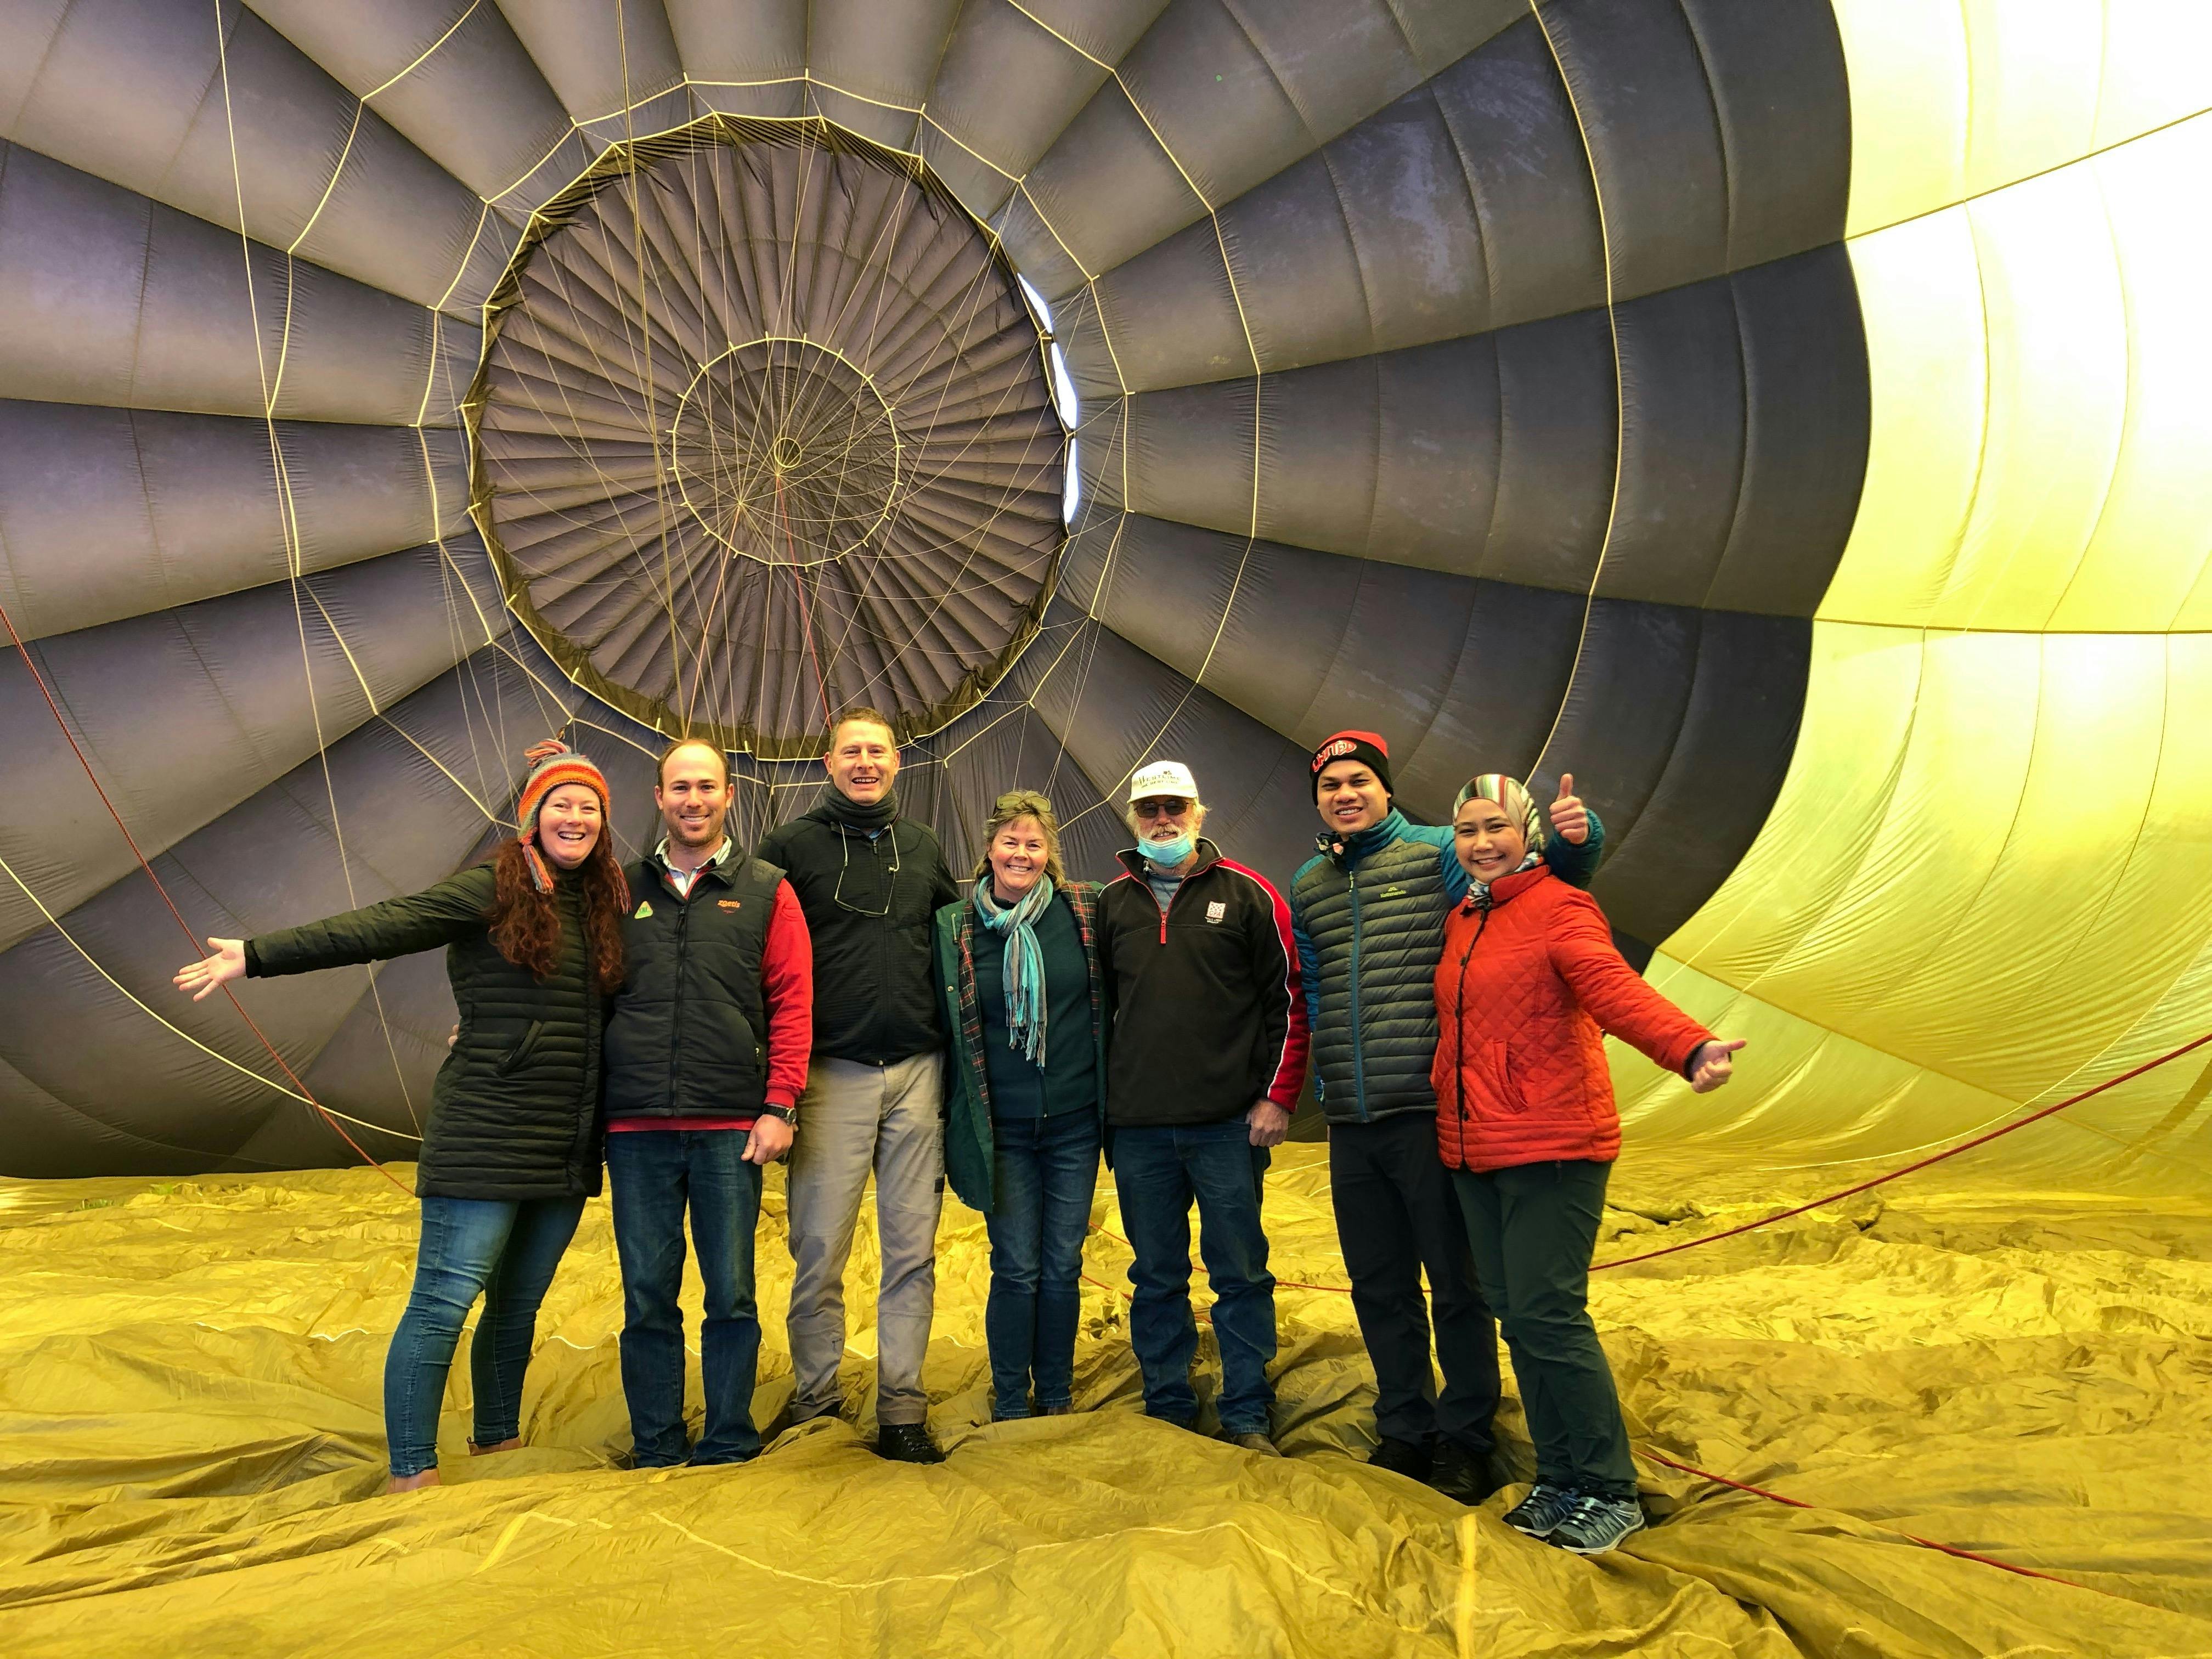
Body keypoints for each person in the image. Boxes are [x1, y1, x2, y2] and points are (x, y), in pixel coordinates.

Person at [172, 745, 627, 1493]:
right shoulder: (490, 888)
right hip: (487, 1129)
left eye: (589, 806)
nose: (575, 816)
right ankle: (411, 1473)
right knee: (444, 1303)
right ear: (532, 817)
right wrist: (256, 956)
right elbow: (384, 925)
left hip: (565, 1140)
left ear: (603, 823)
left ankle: (498, 1443)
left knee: (517, 1307)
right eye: (561, 803)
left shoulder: (602, 904)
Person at [1289, 731, 1604, 1504]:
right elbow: (1318, 988)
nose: (1346, 795)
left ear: (1387, 791)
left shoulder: (1438, 852)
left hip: (1429, 1114)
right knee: (1378, 1285)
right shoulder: (1309, 883)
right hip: (1353, 1122)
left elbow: (1533, 883)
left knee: (1456, 1286)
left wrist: (1578, 842)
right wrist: (1327, 1085)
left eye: (1360, 781)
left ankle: (1467, 1436)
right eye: (1331, 786)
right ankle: (1405, 1426)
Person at [1434, 772, 1743, 1555]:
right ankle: (1561, 1476)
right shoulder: (1466, 917)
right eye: (1468, 830)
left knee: (1550, 1317)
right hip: (1476, 1146)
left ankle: (1610, 1488)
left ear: (1528, 832)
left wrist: (1690, 1045)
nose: (1481, 842)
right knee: (1519, 1318)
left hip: (1553, 1142)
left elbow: (1613, 989)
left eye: (1496, 826)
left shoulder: (1560, 905)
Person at [589, 735, 813, 1469]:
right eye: (679, 788)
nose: (693, 800)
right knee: (648, 1295)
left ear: (729, 796)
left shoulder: (768, 888)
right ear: (658, 799)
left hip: (729, 1130)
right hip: (638, 1129)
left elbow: (792, 1003)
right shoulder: (620, 892)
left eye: (706, 787)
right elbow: (582, 993)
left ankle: (727, 1440)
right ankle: (655, 1443)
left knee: (732, 1295)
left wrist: (780, 1103)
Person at [757, 706, 959, 1463]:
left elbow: (956, 942)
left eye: (878, 750)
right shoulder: (792, 849)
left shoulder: (923, 845)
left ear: (898, 762)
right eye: (852, 751)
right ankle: (816, 1400)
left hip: (917, 1072)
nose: (865, 762)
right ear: (829, 762)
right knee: (819, 1246)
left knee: (913, 1247)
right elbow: (747, 940)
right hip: (829, 1074)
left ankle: (903, 1407)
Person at [1094, 761, 1308, 1453]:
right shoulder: (1111, 904)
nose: (1163, 820)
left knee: (1239, 1270)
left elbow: (1289, 1001)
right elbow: (1100, 1012)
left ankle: (1246, 1410)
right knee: (1156, 1275)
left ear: (1200, 812)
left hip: (1227, 1124)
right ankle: (1168, 1407)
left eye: (1175, 807)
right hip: (1140, 1130)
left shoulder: (1251, 895)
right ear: (1134, 819)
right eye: (1149, 809)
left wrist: (1276, 1098)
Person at [935, 791, 1107, 1423]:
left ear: (1049, 855)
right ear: (988, 849)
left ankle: (1055, 1393)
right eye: (1010, 841)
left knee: (1063, 1264)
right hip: (1001, 1129)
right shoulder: (955, 926)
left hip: (1073, 1125)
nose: (1021, 853)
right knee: (1016, 1268)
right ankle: (1011, 1396)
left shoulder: (1082, 911)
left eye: (1034, 843)